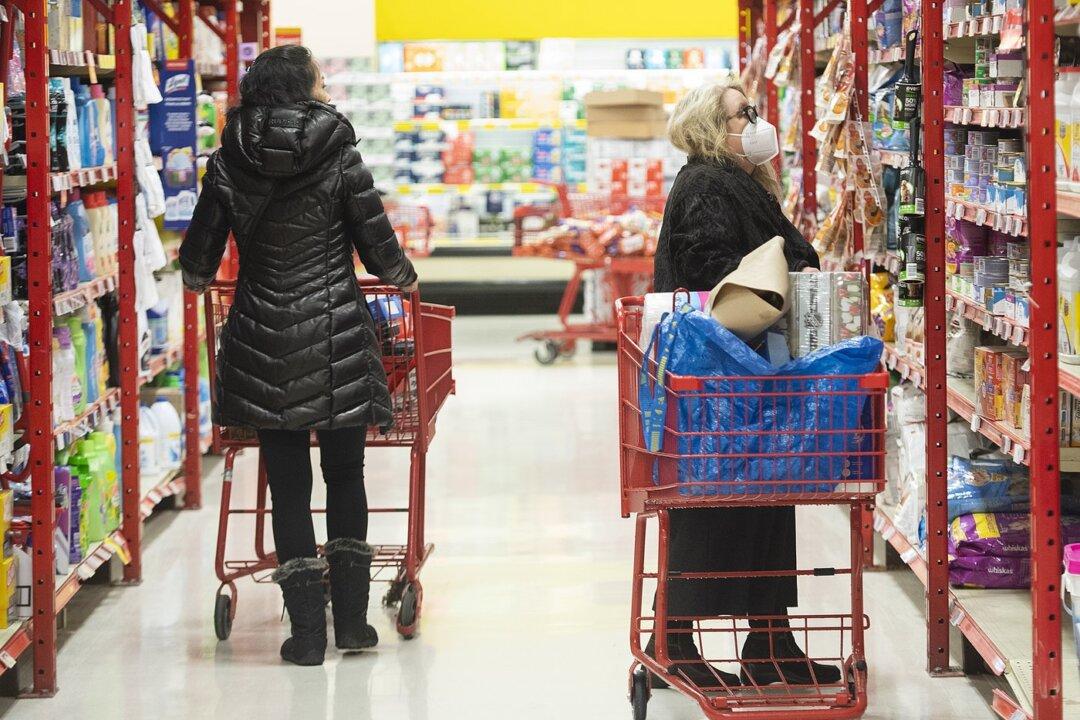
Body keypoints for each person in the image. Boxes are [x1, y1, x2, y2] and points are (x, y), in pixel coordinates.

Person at [180, 45, 417, 667]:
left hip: (262, 335)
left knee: (286, 486)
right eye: (319, 74)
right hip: (336, 330)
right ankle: (356, 626)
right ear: (304, 87)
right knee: (346, 475)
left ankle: (307, 635)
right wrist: (403, 276)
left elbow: (200, 251)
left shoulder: (228, 157)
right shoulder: (339, 151)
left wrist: (199, 274)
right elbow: (375, 241)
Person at [645, 81, 840, 688]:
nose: (756, 122)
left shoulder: (735, 181)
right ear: (710, 127)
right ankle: (673, 642)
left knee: (765, 500)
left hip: (749, 371)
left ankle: (769, 641)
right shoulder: (706, 183)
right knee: (711, 503)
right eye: (742, 114)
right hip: (717, 375)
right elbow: (709, 272)